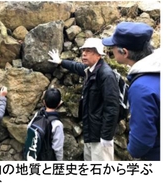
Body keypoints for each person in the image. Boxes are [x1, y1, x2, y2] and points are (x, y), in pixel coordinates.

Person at [48, 37, 120, 161]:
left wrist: (106, 137)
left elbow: (112, 107)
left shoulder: (106, 75)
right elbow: (77, 67)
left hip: (100, 137)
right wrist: (61, 62)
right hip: (90, 132)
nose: (84, 53)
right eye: (83, 50)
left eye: (89, 51)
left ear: (98, 54)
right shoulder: (91, 70)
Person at [102, 22, 160, 161]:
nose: (111, 50)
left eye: (113, 47)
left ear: (125, 52)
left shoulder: (141, 88)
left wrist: (133, 150)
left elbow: (142, 140)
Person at [42, 88, 65, 161]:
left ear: (44, 102)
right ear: (59, 104)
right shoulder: (57, 124)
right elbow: (58, 148)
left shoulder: (37, 116)